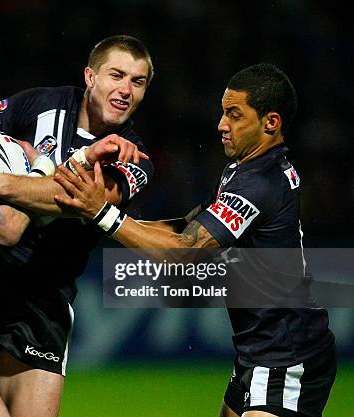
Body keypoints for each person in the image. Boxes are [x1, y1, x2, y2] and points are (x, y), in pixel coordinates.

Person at [54, 63, 336, 417]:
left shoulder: (258, 183)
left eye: (234, 115)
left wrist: (103, 214)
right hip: (261, 349)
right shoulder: (249, 169)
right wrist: (110, 220)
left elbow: (185, 254)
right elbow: (188, 228)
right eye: (223, 112)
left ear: (271, 123)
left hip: (287, 355)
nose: (221, 125)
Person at [0, 35, 154, 417]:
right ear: (90, 76)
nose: (125, 90)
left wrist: (4, 181)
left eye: (137, 82)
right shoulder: (41, 103)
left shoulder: (134, 158)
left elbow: (80, 200)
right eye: (117, 76)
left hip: (44, 295)